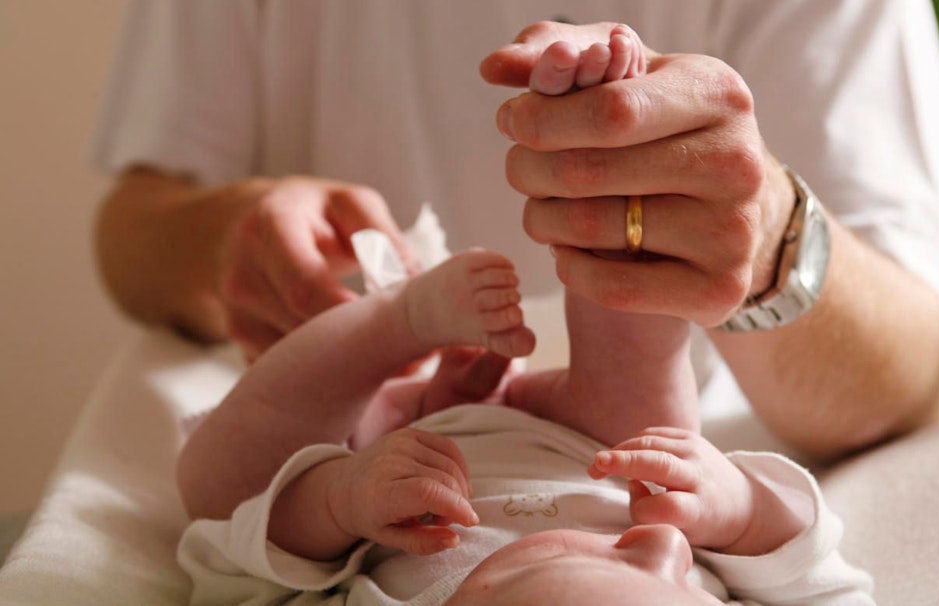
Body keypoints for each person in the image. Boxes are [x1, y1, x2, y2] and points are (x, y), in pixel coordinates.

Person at [93, 3, 939, 462]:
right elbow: (132, 231)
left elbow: (913, 383)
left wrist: (765, 240)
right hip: (372, 445)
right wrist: (224, 239)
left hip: (661, 468)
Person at [175, 46, 874, 605]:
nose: (664, 549)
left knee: (222, 484)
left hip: (386, 444)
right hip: (605, 451)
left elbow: (228, 560)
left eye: (619, 563)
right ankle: (609, 155)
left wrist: (341, 499)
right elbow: (829, 584)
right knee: (638, 371)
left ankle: (396, 318)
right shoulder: (664, 532)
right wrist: (743, 513)